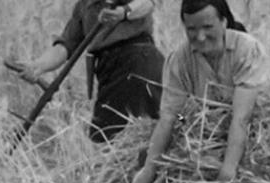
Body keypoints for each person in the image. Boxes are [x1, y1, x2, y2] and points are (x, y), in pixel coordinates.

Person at [126, 0, 270, 183]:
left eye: (208, 27)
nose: (200, 37)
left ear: (224, 22)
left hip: (249, 132)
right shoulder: (179, 60)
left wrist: (228, 171)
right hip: (202, 130)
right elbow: (169, 117)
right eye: (192, 29)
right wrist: (149, 169)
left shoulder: (246, 50)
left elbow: (242, 118)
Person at [10, 0, 164, 143]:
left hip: (138, 62)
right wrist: (38, 67)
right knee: (114, 138)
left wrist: (124, 12)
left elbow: (147, 3)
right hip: (110, 71)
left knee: (111, 136)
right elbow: (64, 47)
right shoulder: (84, 6)